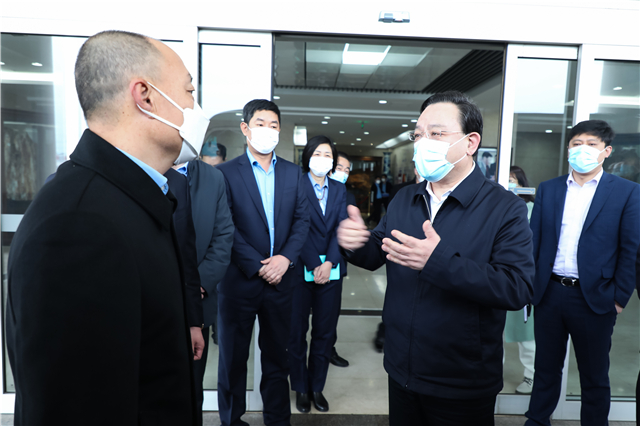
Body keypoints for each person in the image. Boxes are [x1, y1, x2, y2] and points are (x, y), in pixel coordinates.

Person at [5, 30, 209, 424]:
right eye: (188, 91)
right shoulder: (77, 227)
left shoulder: (135, 197)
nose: (194, 107)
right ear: (145, 95)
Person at [337, 90, 535, 426]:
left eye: (436, 133)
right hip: (401, 368)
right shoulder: (405, 199)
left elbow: (516, 288)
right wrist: (356, 242)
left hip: (462, 380)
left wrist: (438, 262)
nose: (423, 143)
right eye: (418, 135)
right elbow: (378, 252)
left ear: (470, 143)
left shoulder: (505, 208)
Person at [525, 120, 640, 426]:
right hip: (549, 294)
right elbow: (534, 242)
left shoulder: (627, 192)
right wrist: (531, 287)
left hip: (595, 298)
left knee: (594, 375)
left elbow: (630, 248)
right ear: (568, 149)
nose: (582, 150)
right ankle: (537, 421)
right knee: (545, 369)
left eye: (591, 144)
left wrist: (619, 297)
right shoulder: (549, 189)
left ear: (606, 151)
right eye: (577, 144)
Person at [216, 99, 310, 426]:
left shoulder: (293, 173)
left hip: (282, 282)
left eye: (273, 125)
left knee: (277, 359)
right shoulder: (225, 173)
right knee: (232, 359)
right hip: (239, 282)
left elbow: (302, 221)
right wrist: (259, 266)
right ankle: (231, 420)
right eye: (260, 124)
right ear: (245, 128)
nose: (267, 130)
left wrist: (284, 259)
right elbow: (225, 226)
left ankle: (277, 420)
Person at [289, 135, 348, 414]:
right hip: (301, 270)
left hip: (332, 272)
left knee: (324, 333)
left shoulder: (339, 189)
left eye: (327, 155)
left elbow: (341, 228)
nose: (322, 159)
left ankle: (317, 387)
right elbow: (295, 227)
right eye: (317, 153)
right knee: (297, 332)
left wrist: (330, 263)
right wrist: (315, 263)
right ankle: (301, 387)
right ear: (307, 157)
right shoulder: (295, 185)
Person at [174, 157, 235, 424]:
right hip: (152, 304)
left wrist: (194, 287)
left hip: (198, 303)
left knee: (192, 388)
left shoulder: (212, 177)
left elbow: (223, 237)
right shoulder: (141, 166)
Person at [504, 165, 536, 394]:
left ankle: (531, 376)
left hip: (522, 279)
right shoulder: (494, 207)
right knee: (493, 331)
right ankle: (493, 373)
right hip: (497, 277)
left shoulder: (532, 209)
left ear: (522, 184)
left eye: (513, 179)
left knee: (526, 334)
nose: (509, 183)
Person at [327, 151, 354, 368]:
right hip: (305, 262)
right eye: (339, 168)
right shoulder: (305, 188)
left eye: (347, 170)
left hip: (335, 261)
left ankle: (329, 348)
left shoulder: (348, 195)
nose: (343, 173)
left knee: (330, 312)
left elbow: (346, 231)